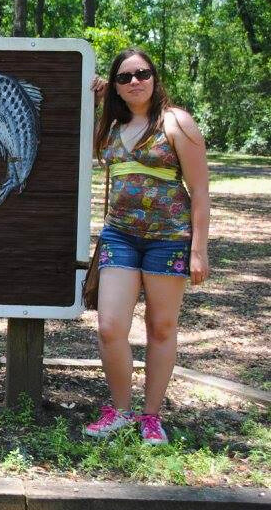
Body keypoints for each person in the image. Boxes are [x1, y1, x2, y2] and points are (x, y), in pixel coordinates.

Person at [85, 47, 210, 445]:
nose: (135, 81)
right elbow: (90, 150)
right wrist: (95, 98)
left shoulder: (176, 122)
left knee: (161, 327)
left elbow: (201, 191)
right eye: (124, 77)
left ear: (155, 77)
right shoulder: (111, 127)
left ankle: (151, 416)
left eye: (142, 73)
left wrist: (198, 249)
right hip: (119, 236)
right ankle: (120, 410)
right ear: (116, 87)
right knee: (110, 327)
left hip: (169, 240)